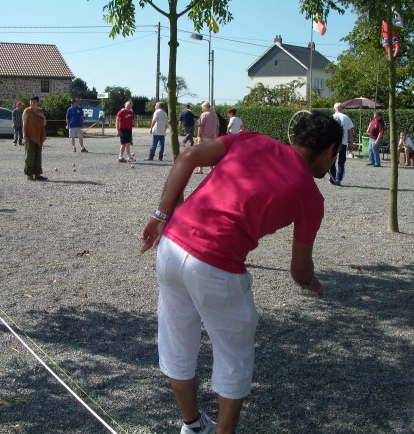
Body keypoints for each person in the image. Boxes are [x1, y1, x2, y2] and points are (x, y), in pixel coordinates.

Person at [140, 111, 342, 434]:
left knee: (177, 343)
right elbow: (299, 270)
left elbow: (190, 156)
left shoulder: (251, 139)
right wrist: (312, 282)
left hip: (171, 246)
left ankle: (192, 426)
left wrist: (160, 213)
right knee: (234, 355)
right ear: (330, 150)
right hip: (216, 264)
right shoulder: (311, 197)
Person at [329, 102, 355, 185]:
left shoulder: (331, 118)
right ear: (342, 109)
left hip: (332, 142)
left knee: (332, 160)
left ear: (334, 109)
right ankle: (339, 179)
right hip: (342, 142)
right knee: (341, 161)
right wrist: (351, 143)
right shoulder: (346, 117)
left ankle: (333, 178)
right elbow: (350, 132)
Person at [22, 96, 48, 181]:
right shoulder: (27, 111)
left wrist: (43, 116)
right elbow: (24, 125)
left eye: (34, 102)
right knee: (29, 155)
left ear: (37, 103)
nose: (32, 103)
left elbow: (44, 124)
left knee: (38, 155)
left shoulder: (40, 110)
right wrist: (24, 137)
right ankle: (29, 174)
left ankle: (37, 174)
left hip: (39, 136)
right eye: (31, 101)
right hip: (29, 137)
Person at [195, 101, 219, 174]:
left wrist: (198, 136)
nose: (202, 109)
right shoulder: (215, 115)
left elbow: (200, 126)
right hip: (212, 137)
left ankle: (200, 169)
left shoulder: (204, 115)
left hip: (204, 137)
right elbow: (217, 127)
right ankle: (212, 169)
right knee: (210, 154)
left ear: (205, 107)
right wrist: (216, 137)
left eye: (202, 107)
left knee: (201, 154)